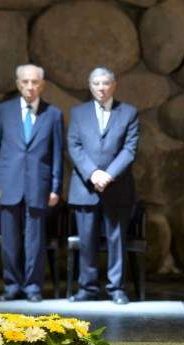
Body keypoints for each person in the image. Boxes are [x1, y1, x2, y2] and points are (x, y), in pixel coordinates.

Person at [0, 64, 63, 303]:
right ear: (18, 84)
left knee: (35, 240)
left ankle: (32, 287)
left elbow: (58, 154)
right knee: (9, 239)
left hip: (39, 185)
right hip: (9, 183)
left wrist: (55, 186)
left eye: (35, 82)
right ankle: (11, 284)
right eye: (25, 82)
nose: (30, 86)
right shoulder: (3, 111)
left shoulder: (53, 114)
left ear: (42, 85)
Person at [67, 67, 139, 305]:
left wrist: (107, 175)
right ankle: (87, 288)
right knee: (86, 240)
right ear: (90, 86)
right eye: (96, 83)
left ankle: (117, 288)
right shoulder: (78, 113)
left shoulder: (128, 112)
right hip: (86, 188)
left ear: (114, 86)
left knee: (116, 240)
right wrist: (93, 173)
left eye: (105, 83)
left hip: (116, 187)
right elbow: (74, 146)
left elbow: (129, 149)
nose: (101, 87)